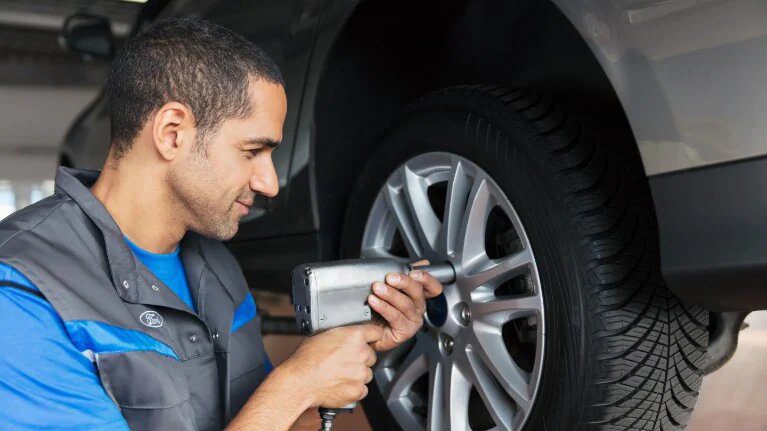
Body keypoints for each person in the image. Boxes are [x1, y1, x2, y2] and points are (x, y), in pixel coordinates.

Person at [0, 18, 443, 430]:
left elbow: (273, 420)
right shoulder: (23, 292)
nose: (270, 183)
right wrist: (297, 381)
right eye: (252, 152)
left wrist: (355, 351)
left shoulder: (218, 266)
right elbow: (279, 400)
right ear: (172, 133)